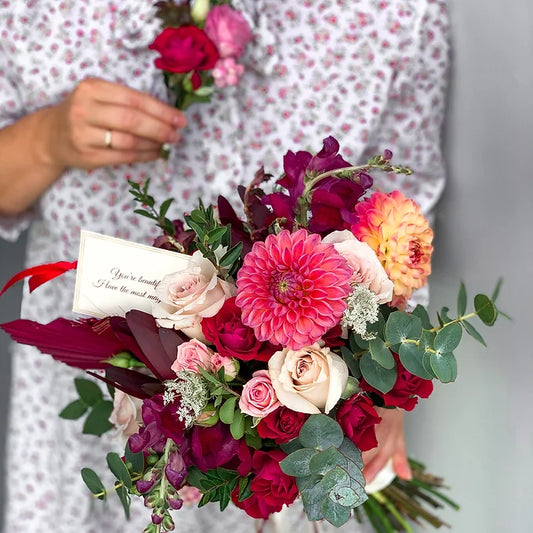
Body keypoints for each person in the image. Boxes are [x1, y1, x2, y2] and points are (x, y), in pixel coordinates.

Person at [0, 0, 449, 531]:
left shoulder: (397, 17)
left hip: (290, 438)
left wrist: (382, 381)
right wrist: (47, 139)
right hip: (82, 415)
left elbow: (403, 226)